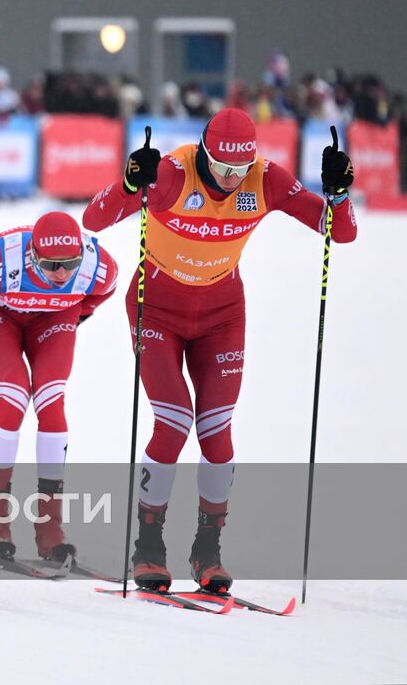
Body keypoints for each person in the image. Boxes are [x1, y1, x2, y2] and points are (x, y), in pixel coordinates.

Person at [83, 107, 357, 593]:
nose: (231, 180)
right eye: (221, 168)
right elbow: (94, 218)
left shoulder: (266, 179)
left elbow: (340, 231)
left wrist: (338, 195)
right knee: (173, 421)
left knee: (215, 429)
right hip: (158, 310)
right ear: (204, 154)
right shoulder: (171, 173)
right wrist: (130, 186)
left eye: (240, 169)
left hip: (222, 314)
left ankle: (207, 550)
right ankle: (149, 546)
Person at [0, 211, 119, 566]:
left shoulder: (98, 265)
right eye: (51, 265)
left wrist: (78, 311)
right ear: (33, 256)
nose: (62, 274)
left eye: (70, 264)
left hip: (53, 317)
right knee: (14, 396)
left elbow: (104, 291)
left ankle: (50, 527)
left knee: (51, 401)